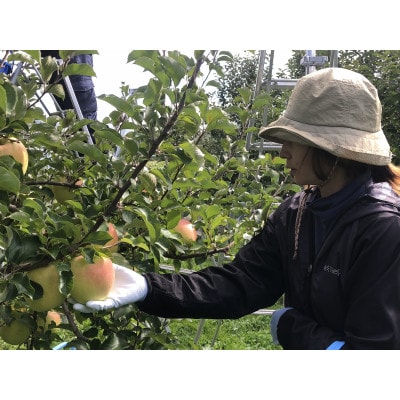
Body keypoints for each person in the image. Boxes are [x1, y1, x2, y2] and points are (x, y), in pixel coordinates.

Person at [71, 67, 400, 350]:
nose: (283, 149)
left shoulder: (383, 230)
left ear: (331, 150)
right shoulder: (296, 214)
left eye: (294, 139)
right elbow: (240, 283)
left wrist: (291, 328)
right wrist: (149, 288)